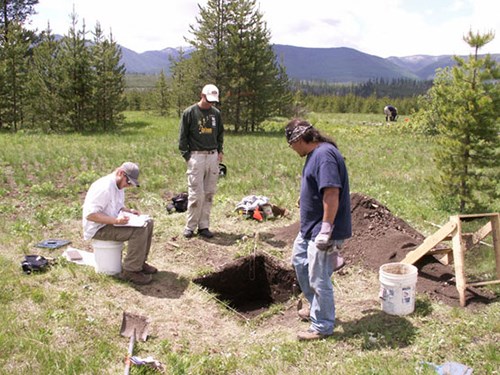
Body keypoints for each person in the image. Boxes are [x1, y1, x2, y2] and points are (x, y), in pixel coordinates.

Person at [285, 119, 352, 341]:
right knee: (300, 262)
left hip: (322, 230)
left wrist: (326, 230)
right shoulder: (316, 155)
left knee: (318, 277)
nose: (292, 150)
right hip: (308, 228)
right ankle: (316, 309)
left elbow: (332, 192)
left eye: (291, 145)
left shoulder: (324, 156)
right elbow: (319, 188)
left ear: (297, 139)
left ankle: (322, 325)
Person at [82, 162, 157, 285]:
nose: (128, 186)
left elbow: (116, 207)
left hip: (110, 223)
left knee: (148, 222)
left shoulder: (118, 186)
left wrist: (129, 211)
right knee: (139, 230)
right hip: (98, 228)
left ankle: (140, 262)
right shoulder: (104, 187)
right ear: (121, 173)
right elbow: (90, 215)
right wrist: (115, 221)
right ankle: (130, 271)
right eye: (128, 182)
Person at [178, 84, 224, 239]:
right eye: (208, 99)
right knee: (196, 194)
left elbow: (220, 134)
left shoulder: (216, 114)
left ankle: (204, 225)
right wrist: (187, 157)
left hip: (212, 156)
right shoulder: (189, 113)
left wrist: (220, 151)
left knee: (209, 193)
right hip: (196, 156)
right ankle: (190, 226)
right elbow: (183, 137)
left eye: (213, 101)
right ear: (202, 95)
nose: (210, 103)